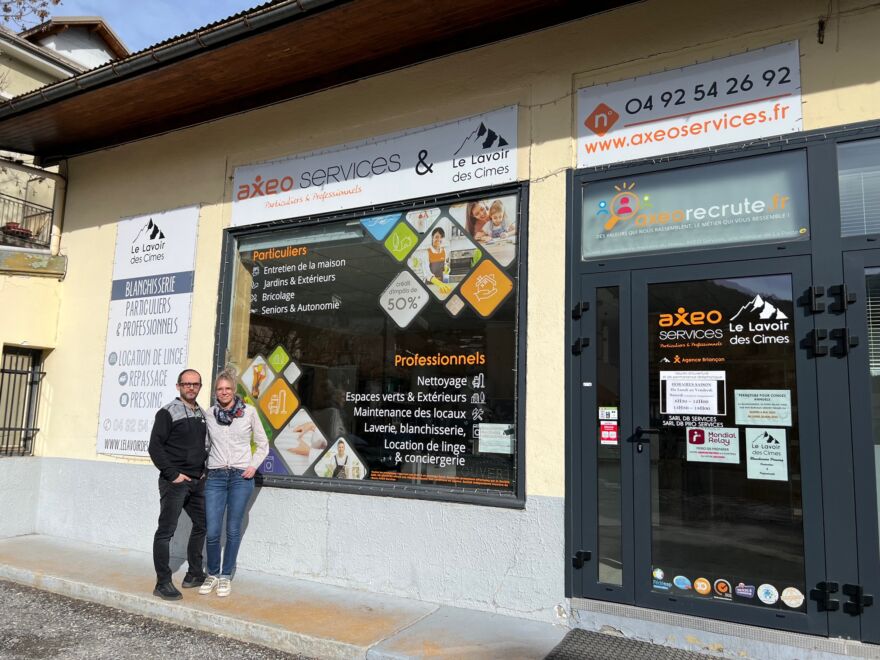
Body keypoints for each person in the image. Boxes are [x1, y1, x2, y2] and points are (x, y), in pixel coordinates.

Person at [199, 369, 269, 598]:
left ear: (234, 390)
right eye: (220, 389)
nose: (224, 392)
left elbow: (262, 443)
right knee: (212, 530)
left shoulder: (248, 412)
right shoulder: (209, 415)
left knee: (232, 529)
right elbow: (205, 444)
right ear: (215, 392)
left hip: (241, 478)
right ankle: (211, 574)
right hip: (216, 477)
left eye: (228, 388)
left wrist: (252, 466)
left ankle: (225, 576)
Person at [148, 368, 209, 601]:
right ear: (178, 386)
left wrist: (202, 471)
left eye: (195, 384)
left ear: (200, 387)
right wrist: (172, 474)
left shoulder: (201, 413)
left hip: (196, 482)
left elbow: (203, 446)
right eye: (186, 384)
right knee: (166, 532)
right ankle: (162, 582)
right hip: (175, 482)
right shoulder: (167, 412)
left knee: (203, 523)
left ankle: (194, 574)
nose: (191, 388)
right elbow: (155, 447)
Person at [419, 227, 451, 294]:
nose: (439, 239)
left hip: (442, 286)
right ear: (432, 237)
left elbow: (445, 267)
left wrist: (446, 269)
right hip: (430, 286)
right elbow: (427, 274)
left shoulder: (444, 251)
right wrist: (439, 283)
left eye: (441, 237)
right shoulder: (426, 252)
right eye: (436, 237)